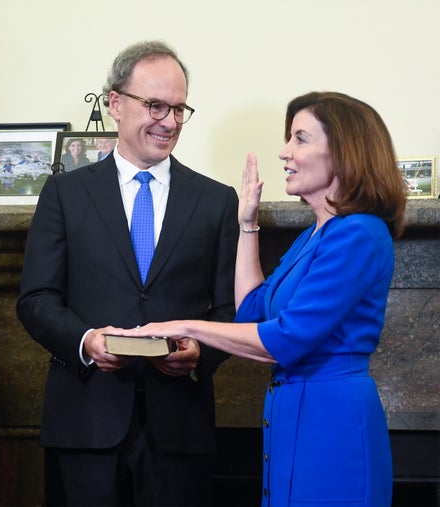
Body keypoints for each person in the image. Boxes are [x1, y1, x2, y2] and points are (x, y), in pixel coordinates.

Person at [117, 91, 407, 506]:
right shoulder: (315, 235)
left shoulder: (359, 233)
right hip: (292, 414)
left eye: (300, 138)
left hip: (332, 422)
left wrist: (181, 324)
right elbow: (250, 309)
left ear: (344, 152)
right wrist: (247, 223)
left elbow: (285, 340)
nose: (284, 152)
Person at [17, 40, 239, 506]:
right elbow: (36, 299)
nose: (170, 121)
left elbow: (229, 309)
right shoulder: (63, 193)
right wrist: (86, 342)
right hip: (85, 422)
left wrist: (200, 354)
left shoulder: (217, 202)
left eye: (179, 109)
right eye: (156, 105)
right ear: (115, 104)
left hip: (179, 428)